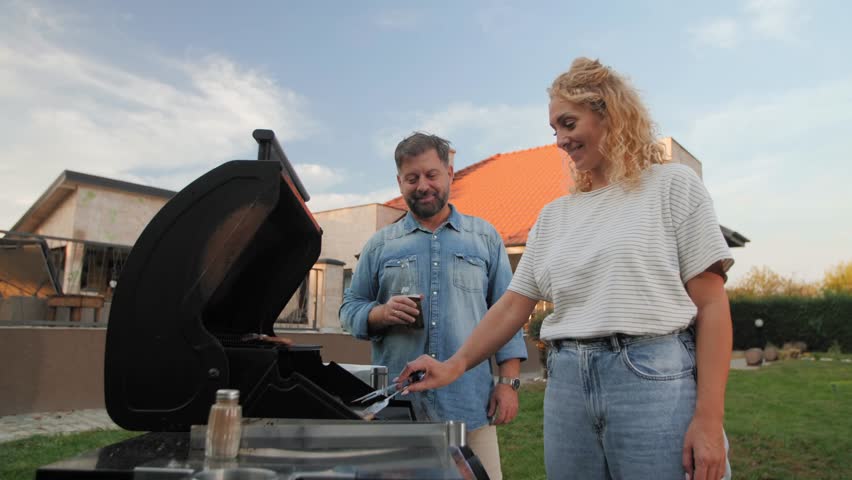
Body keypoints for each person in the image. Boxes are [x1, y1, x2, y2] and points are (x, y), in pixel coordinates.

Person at [398, 58, 734, 480]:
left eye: (568, 123)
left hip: (651, 382)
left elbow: (713, 306)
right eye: (554, 129)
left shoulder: (673, 186)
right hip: (568, 385)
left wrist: (708, 419)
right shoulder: (555, 215)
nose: (560, 139)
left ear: (609, 112)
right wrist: (456, 363)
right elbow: (512, 305)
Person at [339, 132, 528, 480]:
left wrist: (508, 383)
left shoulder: (485, 238)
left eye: (431, 175)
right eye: (412, 179)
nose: (422, 186)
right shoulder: (380, 245)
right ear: (400, 182)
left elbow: (508, 314)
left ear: (450, 174)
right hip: (398, 411)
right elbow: (348, 310)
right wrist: (378, 314)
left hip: (470, 405)